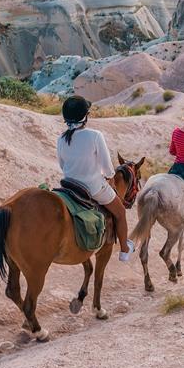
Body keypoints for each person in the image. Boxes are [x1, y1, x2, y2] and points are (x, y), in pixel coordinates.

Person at [57, 96, 134, 261]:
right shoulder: (95, 135)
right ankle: (124, 249)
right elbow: (107, 168)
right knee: (120, 212)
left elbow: (62, 165)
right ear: (85, 116)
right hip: (93, 187)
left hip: (69, 186)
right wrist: (110, 178)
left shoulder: (61, 138)